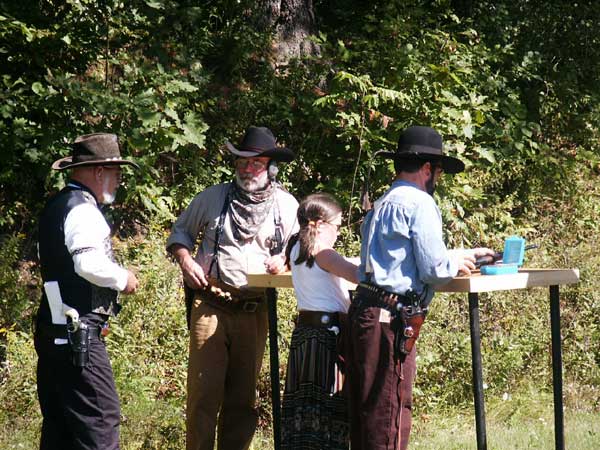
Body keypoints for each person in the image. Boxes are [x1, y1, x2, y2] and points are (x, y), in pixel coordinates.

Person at [347, 125, 494, 450]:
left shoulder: (384, 202)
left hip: (366, 312)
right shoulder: (421, 203)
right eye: (437, 171)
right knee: (388, 418)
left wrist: (460, 255)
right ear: (427, 169)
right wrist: (453, 263)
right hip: (390, 321)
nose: (437, 179)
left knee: (367, 416)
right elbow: (434, 271)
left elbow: (394, 262)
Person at [166, 126, 299, 450]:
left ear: (271, 167)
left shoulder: (286, 206)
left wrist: (285, 262)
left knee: (243, 400)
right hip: (210, 306)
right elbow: (179, 233)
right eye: (242, 161)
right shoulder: (211, 198)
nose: (247, 168)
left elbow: (299, 250)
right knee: (203, 394)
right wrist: (186, 261)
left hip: (255, 310)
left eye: (255, 163)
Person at [35, 132, 140, 450]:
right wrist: (124, 278)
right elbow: (88, 264)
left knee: (60, 432)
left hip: (54, 333)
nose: (119, 180)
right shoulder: (82, 209)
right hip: (79, 336)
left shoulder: (57, 204)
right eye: (116, 172)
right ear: (98, 172)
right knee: (100, 426)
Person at [281, 193, 359, 450]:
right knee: (329, 407)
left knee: (305, 411)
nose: (338, 233)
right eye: (337, 226)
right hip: (327, 337)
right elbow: (358, 275)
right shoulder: (323, 252)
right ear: (322, 224)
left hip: (306, 334)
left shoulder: (295, 249)